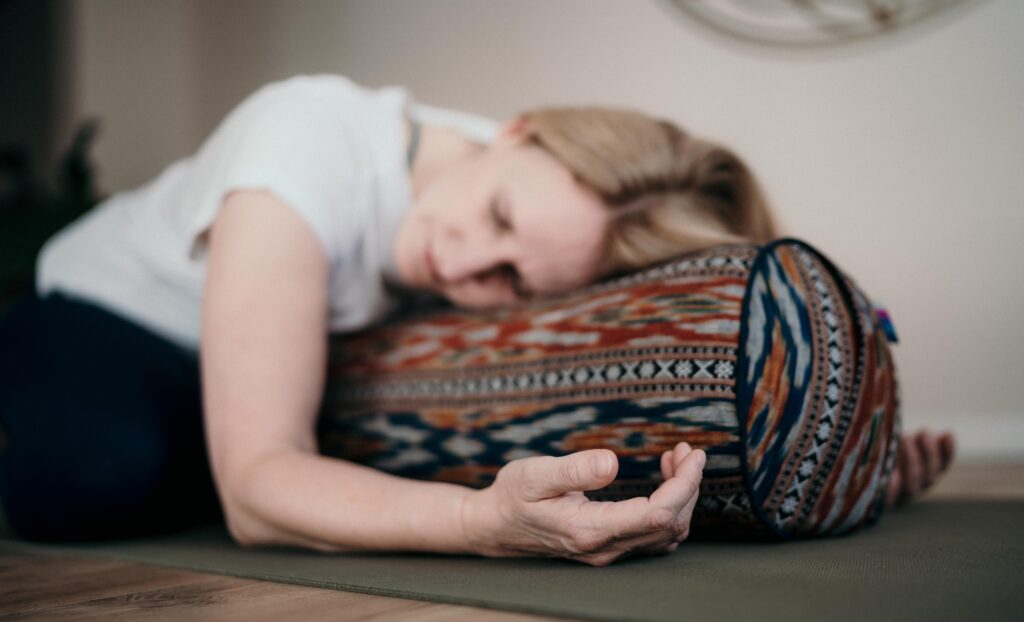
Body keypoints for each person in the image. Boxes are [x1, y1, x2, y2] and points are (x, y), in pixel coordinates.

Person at [0, 74, 954, 565]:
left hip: (267, 365)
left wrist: (841, 459)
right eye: (496, 215)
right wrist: (478, 521)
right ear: (515, 129)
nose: (460, 265)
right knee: (101, 470)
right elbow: (254, 486)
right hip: (107, 317)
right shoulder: (305, 145)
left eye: (510, 279)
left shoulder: (545, 222)